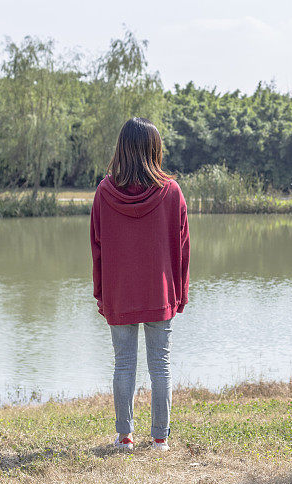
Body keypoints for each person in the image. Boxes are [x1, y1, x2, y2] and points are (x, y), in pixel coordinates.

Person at [90, 117, 190, 451]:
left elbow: (98, 247)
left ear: (121, 149)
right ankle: (160, 439)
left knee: (124, 365)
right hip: (158, 292)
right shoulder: (171, 192)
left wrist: (102, 294)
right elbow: (182, 248)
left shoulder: (104, 192)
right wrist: (179, 293)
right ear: (154, 149)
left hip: (120, 293)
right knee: (160, 364)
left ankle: (125, 437)